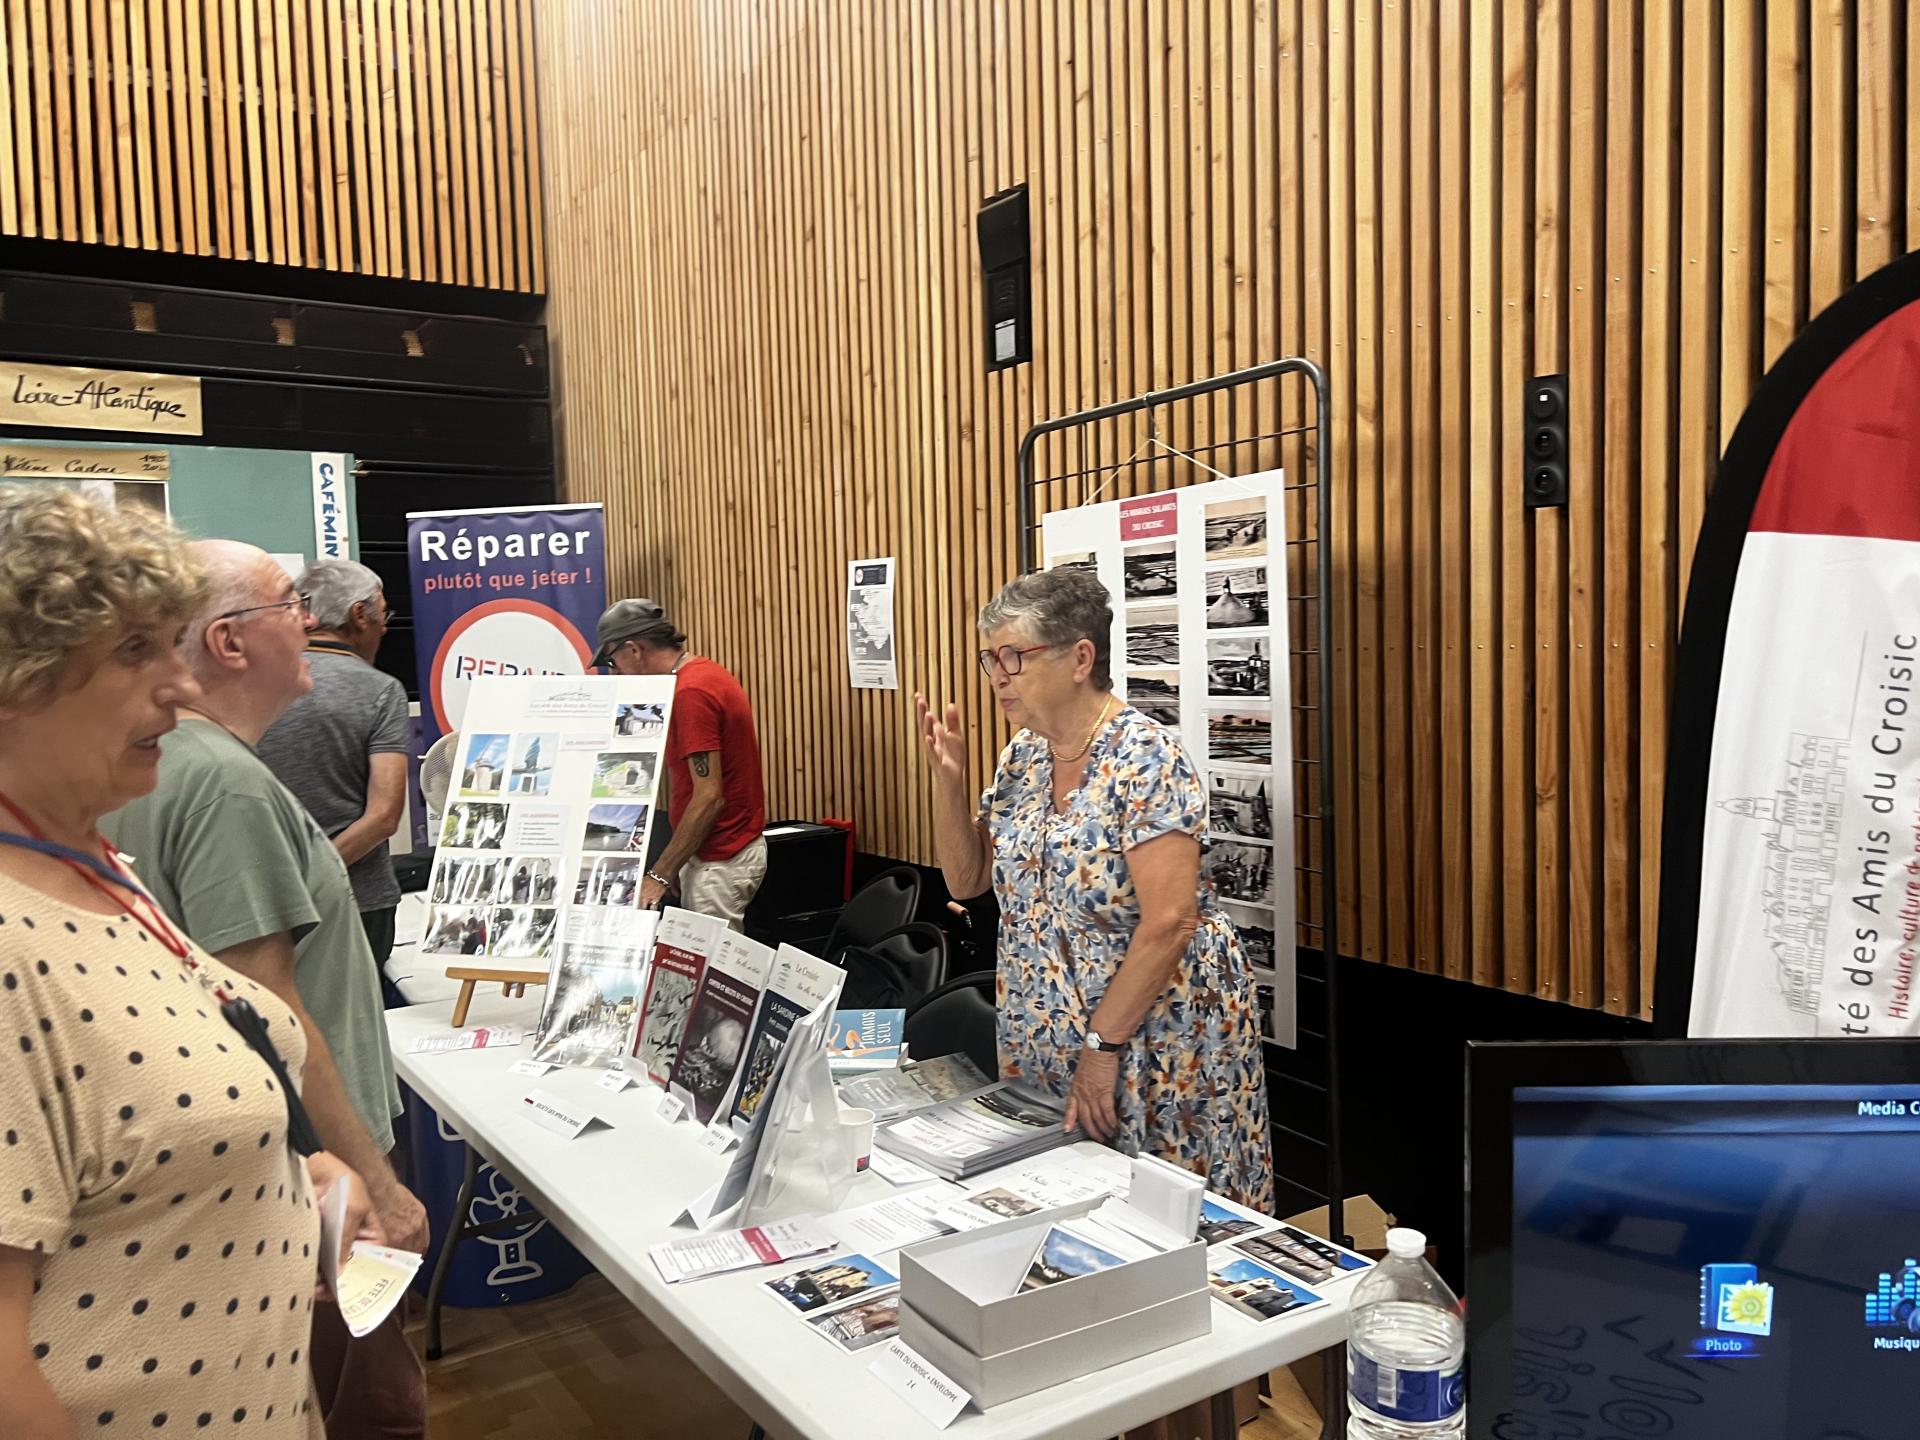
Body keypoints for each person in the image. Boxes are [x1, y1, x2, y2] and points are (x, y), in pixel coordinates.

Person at [0, 486, 378, 1438]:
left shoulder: (94, 869)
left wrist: (297, 1180)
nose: (177, 684)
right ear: (16, 677)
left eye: (172, 643)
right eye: (134, 651)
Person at [101, 540, 428, 1436]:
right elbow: (266, 1007)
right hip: (314, 1163)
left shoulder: (159, 765)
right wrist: (374, 1179)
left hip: (266, 1163)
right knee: (372, 1402)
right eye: (292, 604)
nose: (312, 623)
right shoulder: (222, 784)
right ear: (230, 641)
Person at [916, 566, 1275, 1212]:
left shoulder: (1145, 757)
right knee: (1064, 1209)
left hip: (1154, 1039)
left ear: (1080, 657)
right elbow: (966, 881)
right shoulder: (1022, 757)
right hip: (1050, 1035)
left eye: (1013, 656)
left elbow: (1170, 921)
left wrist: (1100, 1048)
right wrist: (948, 783)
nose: (997, 674)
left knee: (1166, 1221)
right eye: (988, 658)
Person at [257, 558, 412, 967]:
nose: (386, 626)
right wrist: (313, 874)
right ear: (359, 615)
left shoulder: (253, 684)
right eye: (383, 613)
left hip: (263, 904)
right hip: (356, 901)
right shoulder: (381, 691)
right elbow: (383, 816)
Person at [595, 599, 768, 930]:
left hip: (721, 858)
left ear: (633, 650)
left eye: (611, 659)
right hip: (713, 854)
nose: (613, 670)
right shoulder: (701, 674)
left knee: (714, 975)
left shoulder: (691, 693)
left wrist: (663, 870)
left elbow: (709, 796)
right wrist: (681, 859)